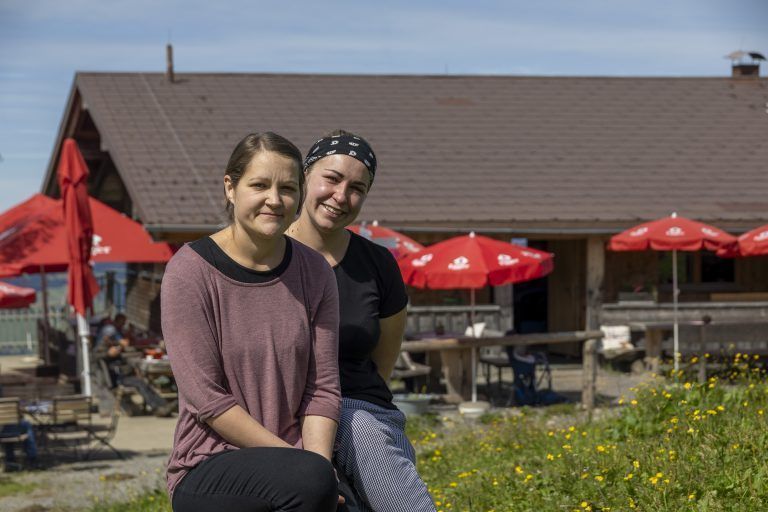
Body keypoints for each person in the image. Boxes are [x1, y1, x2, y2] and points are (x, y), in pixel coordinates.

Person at [160, 132, 342, 512]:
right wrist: (305, 467)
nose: (274, 200)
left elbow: (322, 390)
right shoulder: (190, 271)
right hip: (208, 465)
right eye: (259, 185)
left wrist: (319, 468)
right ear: (231, 187)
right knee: (310, 483)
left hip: (299, 467)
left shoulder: (315, 272)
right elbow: (208, 402)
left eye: (288, 188)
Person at [288, 130, 435, 511]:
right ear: (306, 175)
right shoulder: (269, 256)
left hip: (358, 411)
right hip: (280, 410)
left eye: (357, 188)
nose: (341, 196)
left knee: (361, 427)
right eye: (332, 178)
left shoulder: (378, 264)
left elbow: (381, 364)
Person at [92, 313, 176, 417]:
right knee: (139, 384)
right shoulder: (102, 347)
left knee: (145, 384)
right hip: (116, 378)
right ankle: (157, 408)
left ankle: (163, 405)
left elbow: (125, 354)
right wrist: (108, 354)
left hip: (124, 373)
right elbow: (96, 357)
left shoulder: (114, 344)